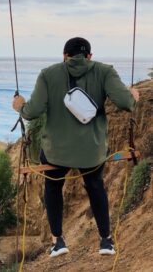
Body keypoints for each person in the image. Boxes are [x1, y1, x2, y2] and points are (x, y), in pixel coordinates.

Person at [12, 37, 139, 258]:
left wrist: (19, 106)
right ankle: (106, 241)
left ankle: (58, 241)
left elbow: (32, 111)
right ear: (89, 56)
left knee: (53, 188)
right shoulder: (105, 71)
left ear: (64, 56)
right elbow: (125, 103)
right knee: (95, 186)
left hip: (55, 152)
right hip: (92, 151)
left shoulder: (48, 74)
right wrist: (133, 96)